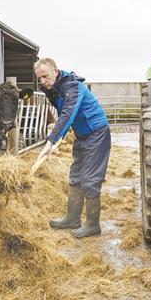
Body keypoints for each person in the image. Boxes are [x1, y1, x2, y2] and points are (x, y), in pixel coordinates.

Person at [34, 57, 110, 238]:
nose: (43, 81)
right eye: (39, 78)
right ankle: (72, 218)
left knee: (90, 179)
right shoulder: (53, 90)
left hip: (96, 133)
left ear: (55, 71)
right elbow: (64, 115)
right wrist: (59, 136)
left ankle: (92, 225)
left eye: (45, 76)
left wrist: (50, 142)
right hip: (82, 135)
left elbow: (68, 113)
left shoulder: (72, 87)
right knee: (75, 176)